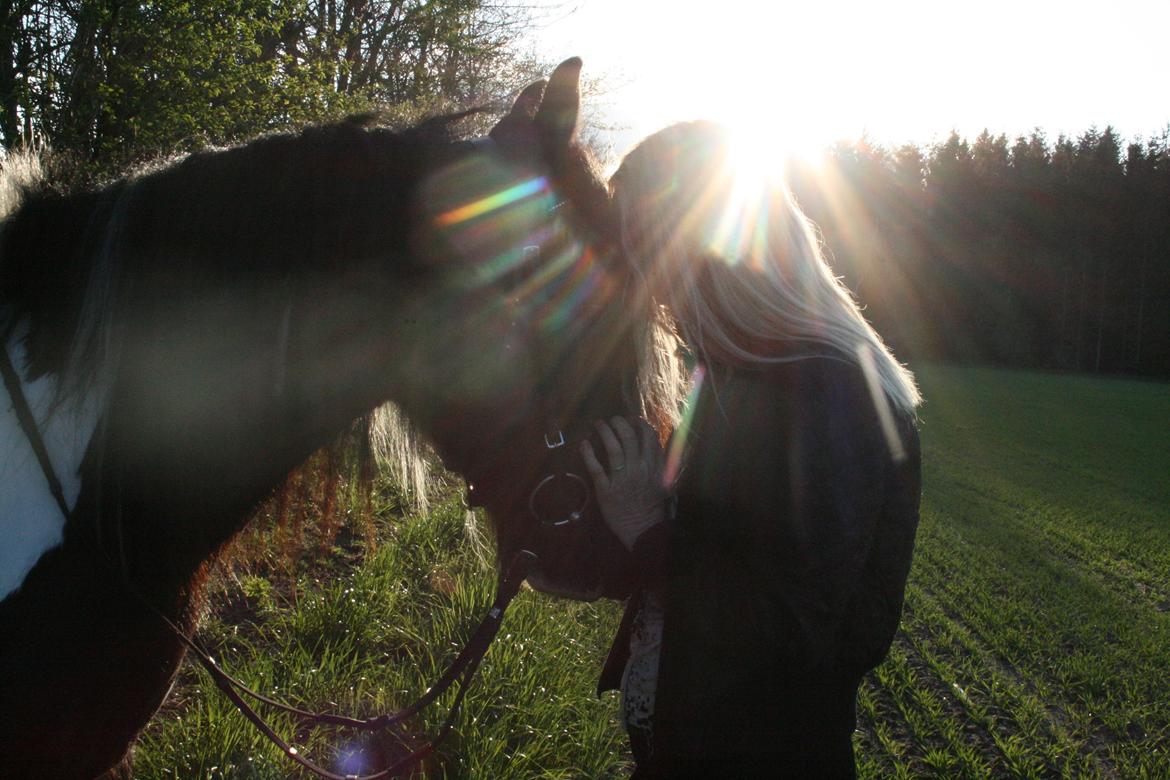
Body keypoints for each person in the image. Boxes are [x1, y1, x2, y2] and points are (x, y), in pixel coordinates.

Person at [579, 121, 923, 778]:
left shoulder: (835, 393)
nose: (648, 294)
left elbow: (793, 629)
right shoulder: (733, 374)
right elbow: (705, 547)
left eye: (645, 258)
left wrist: (645, 527)